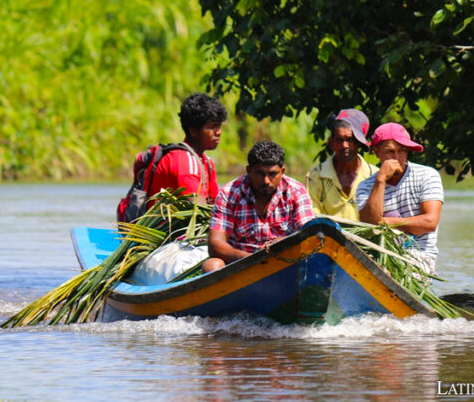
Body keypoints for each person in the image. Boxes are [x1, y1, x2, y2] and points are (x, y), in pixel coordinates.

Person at [203, 141, 315, 272]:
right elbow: (215, 244)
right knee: (212, 265)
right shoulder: (229, 194)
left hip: (285, 263)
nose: (266, 181)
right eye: (260, 174)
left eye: (272, 174)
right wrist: (252, 259)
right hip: (241, 264)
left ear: (282, 171)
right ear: (249, 171)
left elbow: (310, 237)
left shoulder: (296, 192)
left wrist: (283, 243)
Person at [356, 123, 444, 274]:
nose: (396, 158)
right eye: (390, 152)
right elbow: (369, 225)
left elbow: (430, 222)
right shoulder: (365, 186)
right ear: (377, 152)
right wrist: (381, 179)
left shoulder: (427, 176)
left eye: (402, 151)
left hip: (420, 259)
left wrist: (387, 222)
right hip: (379, 257)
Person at [148, 92, 227, 204]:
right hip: (165, 222)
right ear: (193, 131)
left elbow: (217, 205)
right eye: (212, 127)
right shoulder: (184, 162)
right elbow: (198, 209)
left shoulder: (206, 162)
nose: (219, 132)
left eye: (219, 126)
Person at [306, 109, 379, 221]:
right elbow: (311, 217)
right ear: (331, 143)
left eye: (350, 140)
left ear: (359, 143)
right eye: (339, 140)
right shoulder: (316, 176)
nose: (345, 145)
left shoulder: (374, 175)